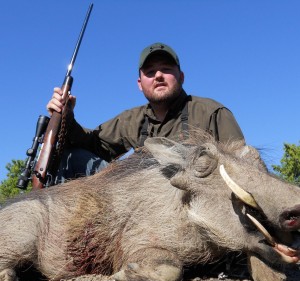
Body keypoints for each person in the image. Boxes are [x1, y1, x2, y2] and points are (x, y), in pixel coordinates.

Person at [47, 42, 244, 182]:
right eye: (150, 72)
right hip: (139, 201)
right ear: (140, 84)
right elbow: (94, 144)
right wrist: (66, 118)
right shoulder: (132, 119)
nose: (158, 75)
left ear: (181, 77)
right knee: (71, 157)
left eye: (166, 69)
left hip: (190, 202)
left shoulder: (211, 112)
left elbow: (244, 168)